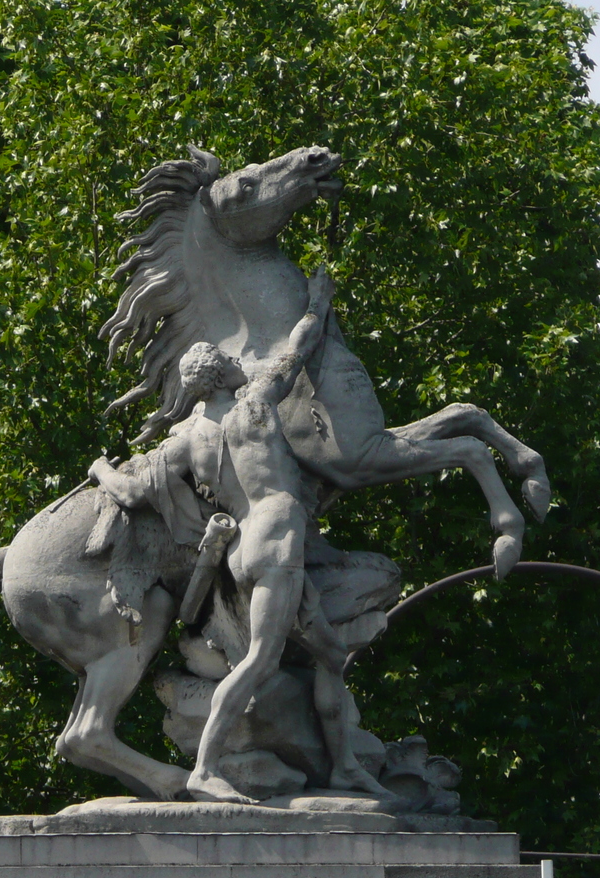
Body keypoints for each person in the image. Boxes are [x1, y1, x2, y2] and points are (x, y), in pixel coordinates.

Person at [89, 266, 392, 803]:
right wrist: (317, 302)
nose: (235, 360)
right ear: (222, 371)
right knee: (258, 661)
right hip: (277, 537)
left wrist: (100, 470)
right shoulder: (253, 401)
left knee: (330, 655)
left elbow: (134, 493)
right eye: (227, 359)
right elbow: (298, 347)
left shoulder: (189, 440)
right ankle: (206, 766)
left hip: (240, 549)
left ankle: (344, 765)